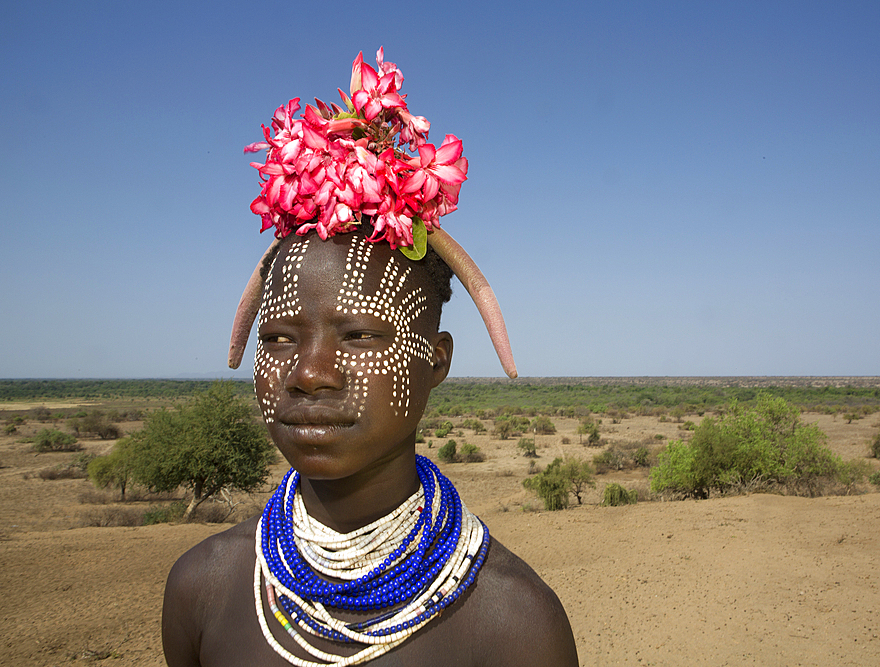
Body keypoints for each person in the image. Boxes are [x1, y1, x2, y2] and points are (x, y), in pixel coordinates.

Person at [161, 49, 578, 667]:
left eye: (358, 336)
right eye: (276, 337)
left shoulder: (513, 628)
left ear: (435, 362)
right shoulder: (203, 588)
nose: (309, 372)